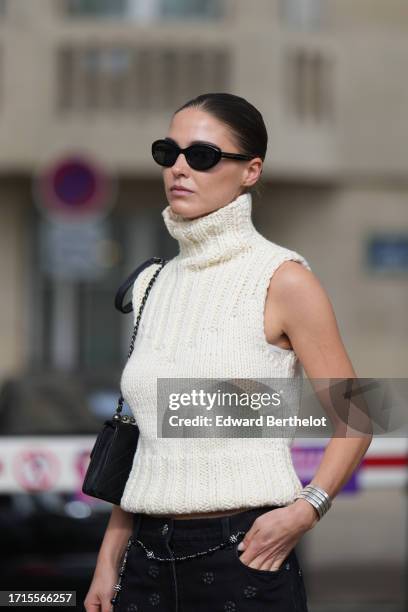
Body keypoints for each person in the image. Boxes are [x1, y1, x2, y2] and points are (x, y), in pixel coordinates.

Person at [84, 93, 372, 612]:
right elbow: (143, 441)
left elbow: (356, 416)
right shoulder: (152, 284)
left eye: (202, 155)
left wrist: (307, 509)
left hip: (244, 554)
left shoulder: (283, 278)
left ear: (250, 171)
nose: (178, 168)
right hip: (143, 559)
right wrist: (108, 560)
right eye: (167, 152)